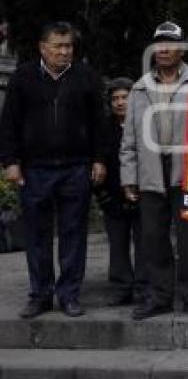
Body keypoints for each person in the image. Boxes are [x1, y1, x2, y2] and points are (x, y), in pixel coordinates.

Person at [0, 21, 108, 318]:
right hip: (35, 170)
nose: (64, 51)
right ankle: (40, 294)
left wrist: (99, 159)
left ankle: (69, 295)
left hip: (76, 168)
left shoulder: (85, 76)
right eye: (58, 46)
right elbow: (9, 122)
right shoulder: (23, 77)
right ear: (42, 48)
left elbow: (99, 121)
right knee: (36, 235)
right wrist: (11, 161)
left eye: (69, 46)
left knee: (74, 234)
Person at [121, 21, 188, 320]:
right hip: (150, 171)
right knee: (153, 237)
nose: (163, 49)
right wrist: (128, 177)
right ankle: (159, 296)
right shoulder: (139, 87)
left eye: (169, 43)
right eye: (158, 43)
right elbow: (130, 138)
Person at [95, 77, 146, 306]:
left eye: (124, 97)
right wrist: (102, 194)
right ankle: (121, 287)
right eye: (115, 98)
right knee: (117, 243)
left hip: (143, 193)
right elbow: (97, 160)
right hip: (113, 196)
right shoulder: (103, 128)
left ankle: (145, 288)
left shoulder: (146, 124)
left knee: (146, 243)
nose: (120, 103)